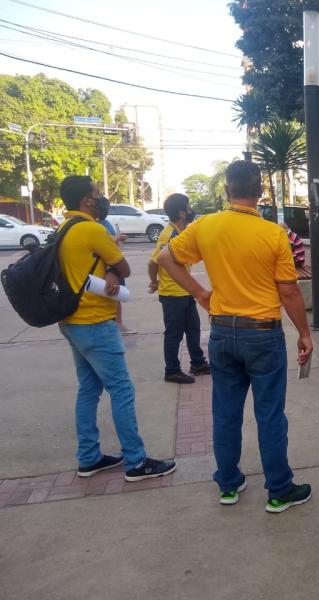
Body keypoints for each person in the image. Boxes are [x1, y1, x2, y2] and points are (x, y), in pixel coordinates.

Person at [157, 160, 312, 509]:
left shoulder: (205, 226)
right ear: (260, 193)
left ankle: (228, 484)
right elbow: (289, 291)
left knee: (225, 412)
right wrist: (304, 333)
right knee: (270, 414)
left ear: (227, 191)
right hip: (263, 335)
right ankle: (279, 490)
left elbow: (166, 259)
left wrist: (200, 293)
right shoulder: (274, 234)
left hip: (223, 332)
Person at [57, 176, 176, 482]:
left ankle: (89, 458)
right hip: (96, 322)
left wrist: (107, 264)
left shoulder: (63, 229)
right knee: (121, 390)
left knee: (88, 390)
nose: (101, 199)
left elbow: (95, 264)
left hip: (72, 322)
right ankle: (136, 462)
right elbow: (124, 268)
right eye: (96, 194)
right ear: (86, 200)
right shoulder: (91, 229)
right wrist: (112, 264)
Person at [147, 193, 210, 384]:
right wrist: (154, 282)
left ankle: (197, 363)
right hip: (173, 294)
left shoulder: (180, 231)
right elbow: (154, 262)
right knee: (174, 333)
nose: (191, 211)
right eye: (188, 207)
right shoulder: (169, 234)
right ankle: (172, 370)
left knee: (193, 329)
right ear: (182, 213)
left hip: (185, 291)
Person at [96, 211, 137, 335]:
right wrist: (117, 239)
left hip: (113, 263)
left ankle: (118, 323)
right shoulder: (93, 226)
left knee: (116, 294)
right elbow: (103, 245)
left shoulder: (105, 222)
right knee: (107, 293)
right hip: (104, 266)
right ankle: (111, 324)